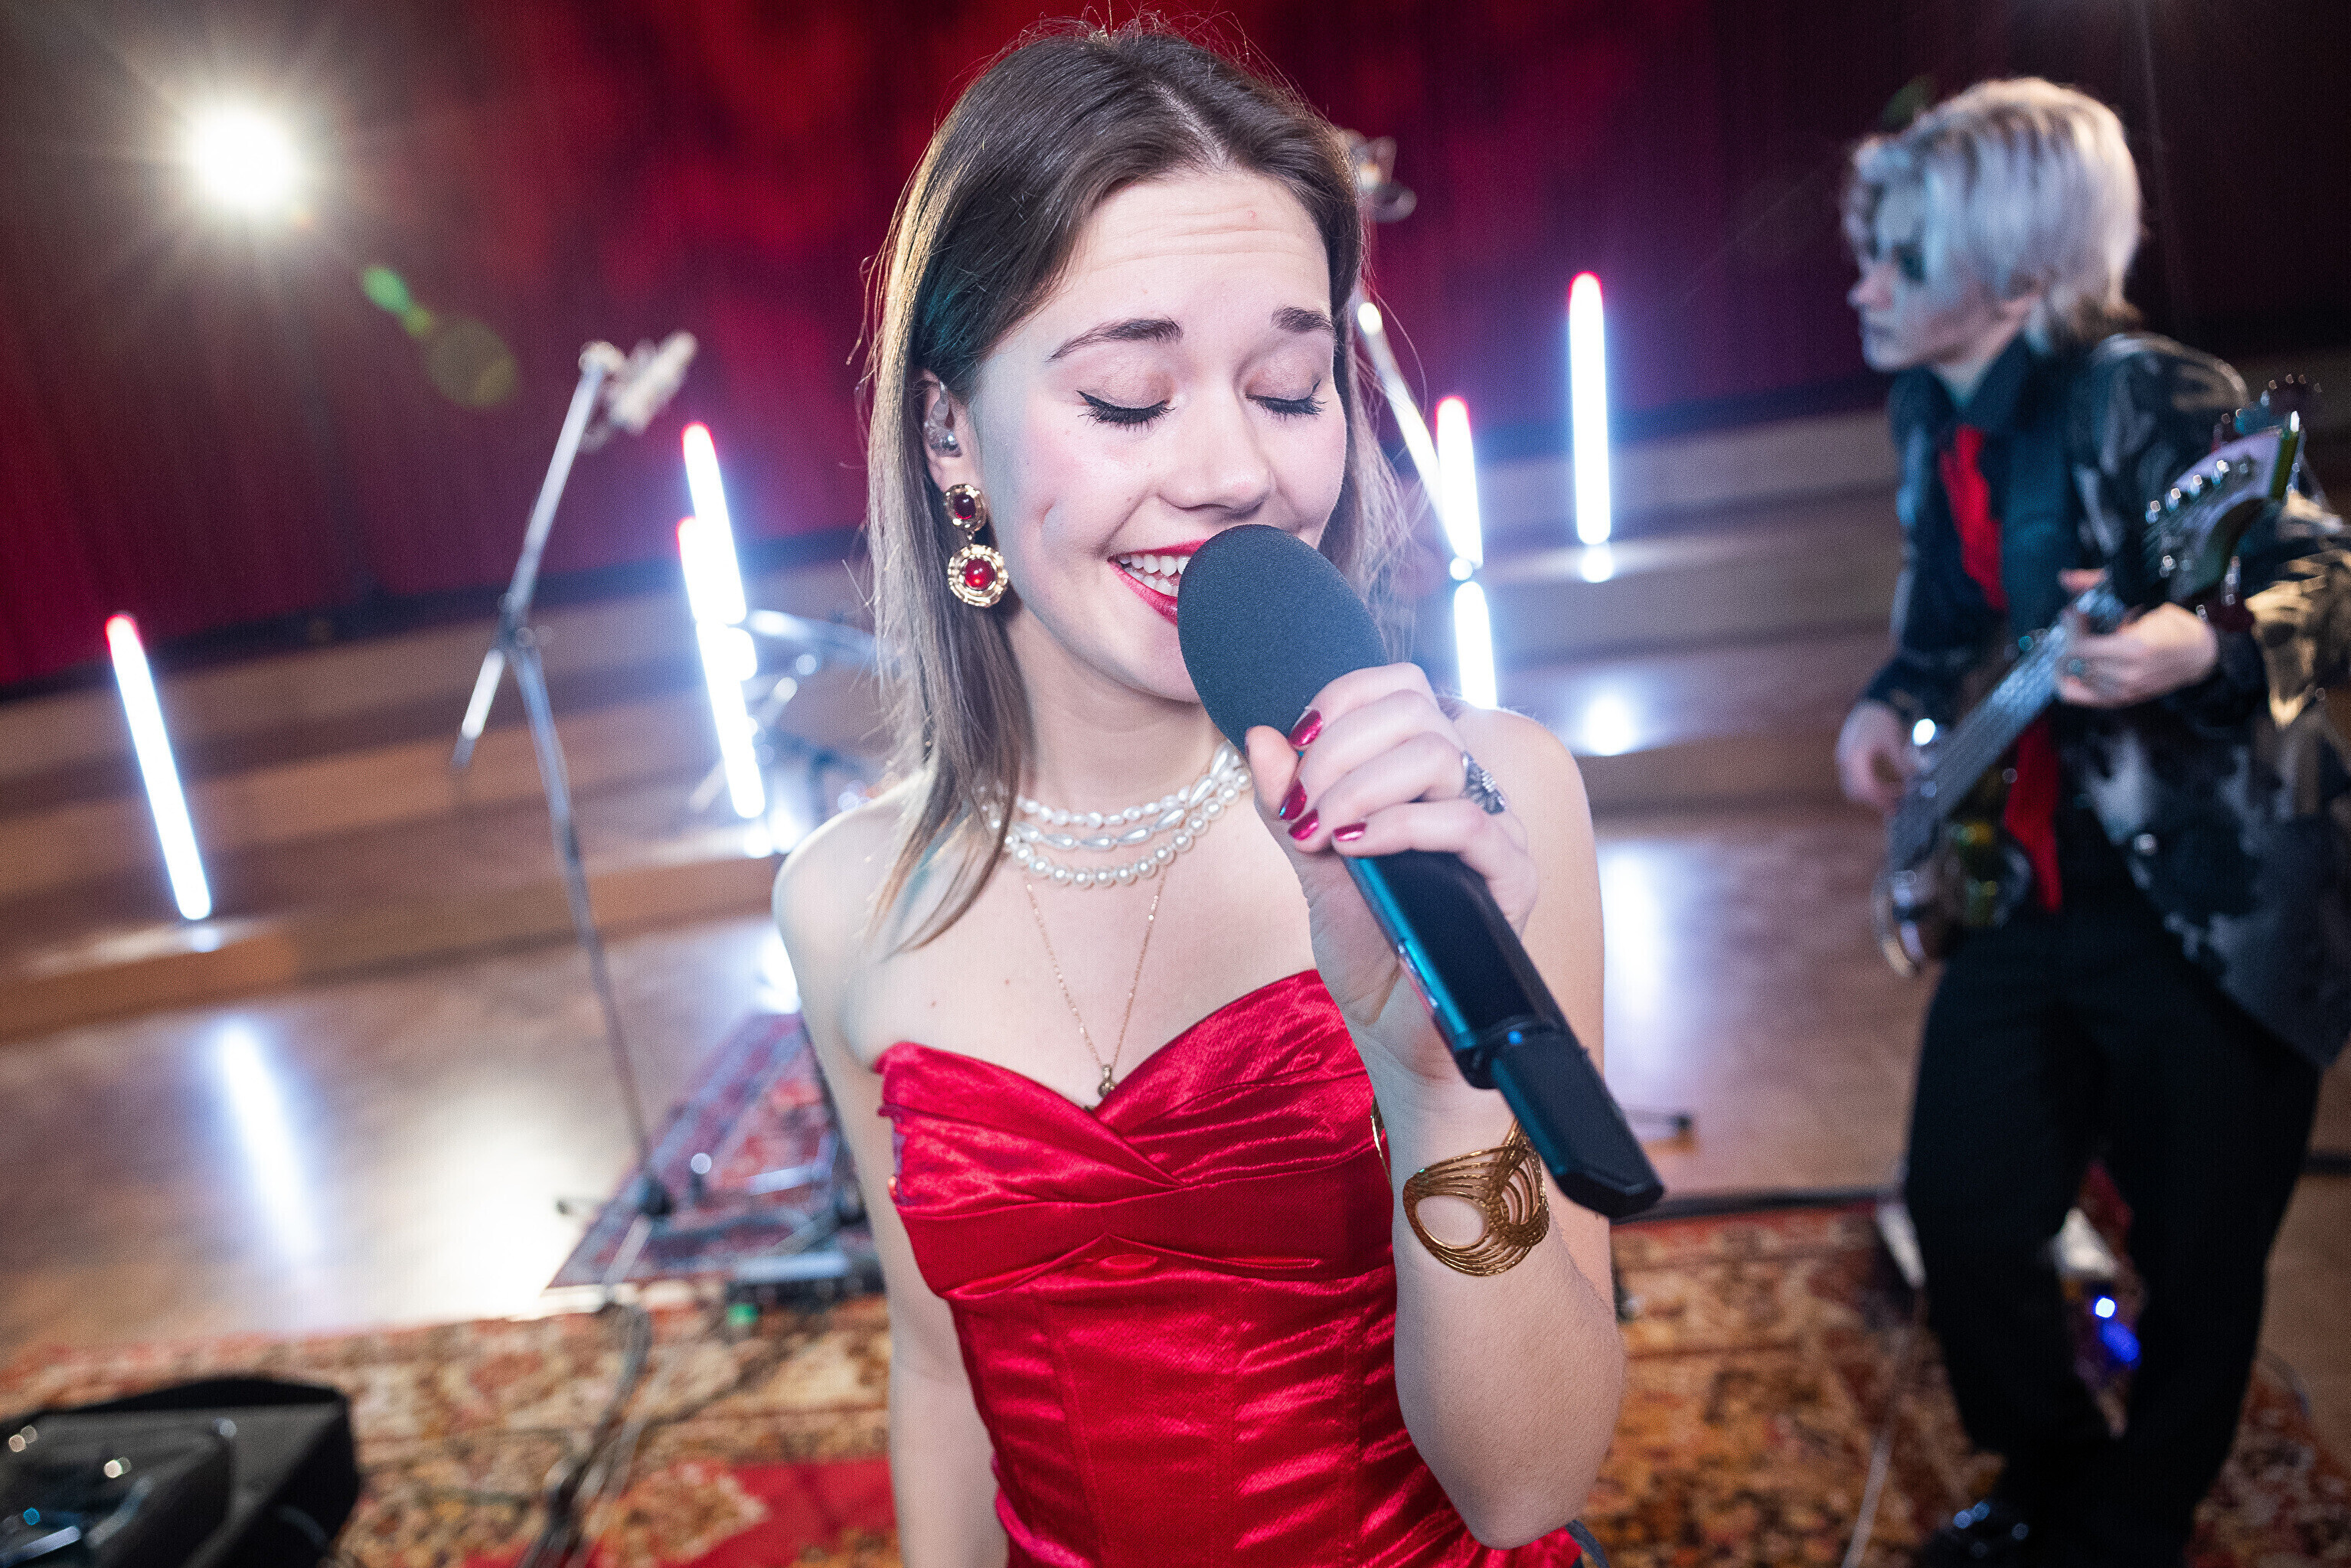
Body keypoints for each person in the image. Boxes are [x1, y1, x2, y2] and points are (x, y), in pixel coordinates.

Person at [772, 24, 1625, 1567]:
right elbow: (936, 1370)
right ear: (951, 433)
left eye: (1291, 388)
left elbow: (1528, 1486)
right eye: (1127, 398)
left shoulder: (1486, 806)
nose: (1236, 471)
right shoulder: (843, 901)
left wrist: (1440, 1093)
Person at [1833, 79, 2351, 1566]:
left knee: (2199, 1262)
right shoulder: (1934, 408)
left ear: (2012, 275)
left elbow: (2327, 588)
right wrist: (1888, 700)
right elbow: (1945, 619)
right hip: (2027, 891)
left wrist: (2201, 644)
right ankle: (2053, 1479)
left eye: (1901, 257)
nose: (1864, 285)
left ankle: (2131, 1530)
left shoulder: (2154, 394)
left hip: (2211, 915)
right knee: (1965, 1209)